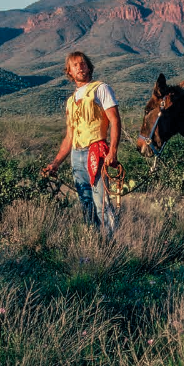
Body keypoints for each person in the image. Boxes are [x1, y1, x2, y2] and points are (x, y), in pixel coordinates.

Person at [43, 51, 121, 234]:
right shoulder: (71, 101)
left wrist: (113, 151)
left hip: (96, 152)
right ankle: (93, 245)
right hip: (76, 156)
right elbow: (69, 137)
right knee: (85, 204)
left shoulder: (101, 89)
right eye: (75, 65)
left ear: (89, 67)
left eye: (83, 63)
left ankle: (112, 245)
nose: (80, 67)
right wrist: (55, 163)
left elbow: (115, 121)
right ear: (69, 71)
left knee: (102, 202)